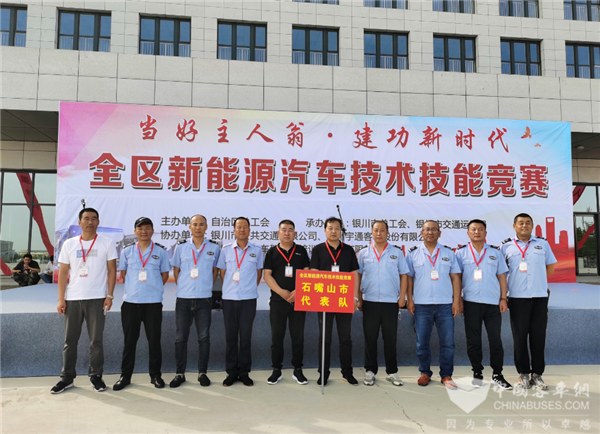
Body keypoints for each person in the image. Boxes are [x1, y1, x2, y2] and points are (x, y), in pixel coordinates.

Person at [51, 208, 117, 394]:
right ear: (79, 222)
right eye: (86, 218)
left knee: (96, 341)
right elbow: (63, 273)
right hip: (73, 298)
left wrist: (109, 296)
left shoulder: (107, 243)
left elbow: (112, 270)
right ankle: (67, 378)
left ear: (98, 222)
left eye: (94, 219)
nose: (90, 222)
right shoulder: (69, 244)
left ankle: (96, 376)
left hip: (97, 298)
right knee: (70, 340)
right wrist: (61, 299)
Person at [113, 217, 171, 391]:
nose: (143, 231)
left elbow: (164, 275)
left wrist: (153, 288)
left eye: (147, 228)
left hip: (153, 303)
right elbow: (124, 274)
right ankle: (125, 376)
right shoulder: (127, 251)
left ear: (152, 231)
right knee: (129, 342)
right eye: (140, 228)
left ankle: (155, 375)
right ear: (135, 231)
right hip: (131, 302)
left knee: (154, 341)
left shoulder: (161, 252)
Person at [501, 213, 557, 390]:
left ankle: (537, 374)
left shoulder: (542, 244)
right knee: (520, 337)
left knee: (538, 337)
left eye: (527, 223)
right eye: (521, 223)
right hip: (517, 298)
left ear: (532, 226)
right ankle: (523, 373)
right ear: (514, 226)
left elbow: (550, 266)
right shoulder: (506, 246)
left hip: (539, 296)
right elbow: (501, 272)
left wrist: (539, 281)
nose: (524, 225)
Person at [455, 219, 512, 390]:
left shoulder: (495, 252)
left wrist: (503, 298)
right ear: (468, 233)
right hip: (471, 303)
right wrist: (458, 300)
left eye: (480, 229)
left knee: (495, 340)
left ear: (486, 233)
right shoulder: (460, 253)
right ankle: (477, 373)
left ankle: (497, 374)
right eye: (473, 229)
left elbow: (502, 277)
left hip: (492, 303)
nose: (477, 232)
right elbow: (457, 278)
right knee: (473, 341)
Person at [406, 220, 462, 390]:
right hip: (422, 305)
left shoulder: (448, 253)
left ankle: (446, 375)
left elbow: (455, 277)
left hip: (445, 304)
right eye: (427, 229)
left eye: (433, 229)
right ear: (421, 233)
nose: (430, 232)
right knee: (422, 342)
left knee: (448, 342)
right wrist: (410, 299)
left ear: (439, 233)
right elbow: (409, 278)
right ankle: (425, 372)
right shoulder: (413, 254)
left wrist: (456, 301)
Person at [169, 214, 221, 388]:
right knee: (180, 338)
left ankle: (202, 373)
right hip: (183, 299)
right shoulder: (181, 248)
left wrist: (205, 286)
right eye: (195, 224)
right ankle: (180, 373)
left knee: (204, 337)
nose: (198, 227)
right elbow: (176, 271)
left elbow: (215, 272)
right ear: (190, 227)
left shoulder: (214, 248)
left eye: (201, 224)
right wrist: (184, 288)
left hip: (204, 299)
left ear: (206, 227)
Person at [357, 220, 409, 387]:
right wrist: (358, 297)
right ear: (371, 232)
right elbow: (358, 275)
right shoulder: (363, 253)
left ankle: (392, 371)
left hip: (390, 301)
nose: (378, 233)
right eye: (376, 230)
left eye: (382, 230)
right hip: (370, 301)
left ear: (387, 232)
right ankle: (370, 371)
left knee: (390, 338)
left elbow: (404, 274)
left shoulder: (396, 252)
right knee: (370, 338)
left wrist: (402, 297)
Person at [310, 217, 360, 386]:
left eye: (337, 228)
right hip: (324, 300)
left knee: (345, 337)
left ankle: (347, 373)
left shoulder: (348, 250)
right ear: (325, 231)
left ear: (341, 231)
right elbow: (314, 272)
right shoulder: (318, 249)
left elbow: (354, 274)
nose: (333, 231)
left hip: (344, 300)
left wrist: (355, 297)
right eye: (330, 228)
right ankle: (323, 373)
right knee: (325, 338)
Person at [216, 217, 264, 387]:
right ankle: (231, 372)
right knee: (230, 337)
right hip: (229, 299)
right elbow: (223, 273)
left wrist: (249, 288)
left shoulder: (257, 250)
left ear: (249, 230)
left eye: (245, 227)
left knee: (245, 337)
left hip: (248, 299)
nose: (242, 230)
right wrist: (231, 288)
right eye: (239, 227)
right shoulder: (226, 250)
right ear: (234, 230)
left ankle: (244, 372)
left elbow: (258, 273)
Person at [263, 219, 311, 385]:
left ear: (295, 233)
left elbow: (307, 273)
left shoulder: (301, 251)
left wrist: (299, 291)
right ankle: (276, 370)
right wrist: (281, 292)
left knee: (298, 337)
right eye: (284, 230)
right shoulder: (272, 252)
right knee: (277, 337)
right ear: (278, 233)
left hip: (299, 300)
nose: (287, 233)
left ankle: (298, 370)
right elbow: (267, 275)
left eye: (290, 230)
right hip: (278, 301)